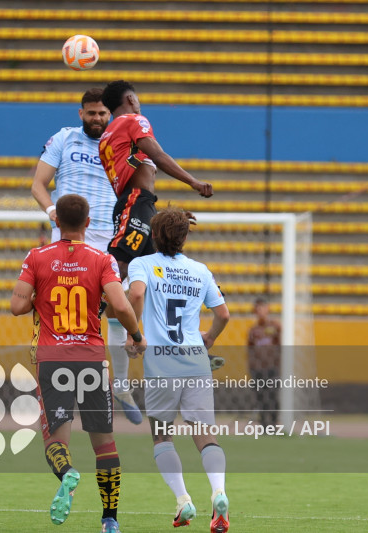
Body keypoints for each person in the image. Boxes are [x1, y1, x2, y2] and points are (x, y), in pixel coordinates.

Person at [10, 194, 146, 533]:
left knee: (56, 441)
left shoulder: (36, 257)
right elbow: (122, 305)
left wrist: (39, 297)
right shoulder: (102, 260)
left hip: (52, 360)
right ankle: (110, 519)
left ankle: (68, 472)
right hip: (91, 361)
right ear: (88, 223)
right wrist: (136, 335)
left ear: (57, 221)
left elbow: (17, 306)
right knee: (105, 443)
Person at [31, 87, 142, 424]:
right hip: (68, 235)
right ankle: (55, 388)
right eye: (91, 113)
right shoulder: (64, 139)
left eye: (102, 113)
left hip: (110, 236)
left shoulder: (122, 143)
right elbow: (38, 184)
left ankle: (120, 386)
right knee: (63, 313)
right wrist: (51, 210)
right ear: (81, 113)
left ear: (111, 114)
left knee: (116, 310)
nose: (97, 119)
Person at [126, 207, 231, 532]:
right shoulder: (200, 270)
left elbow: (137, 293)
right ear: (184, 238)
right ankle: (219, 492)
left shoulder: (142, 264)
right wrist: (209, 338)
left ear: (154, 235)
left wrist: (134, 334)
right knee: (206, 435)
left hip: (161, 362)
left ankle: (183, 499)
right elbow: (223, 314)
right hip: (196, 359)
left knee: (161, 435)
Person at [98, 79, 214, 284]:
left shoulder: (106, 137)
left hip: (137, 202)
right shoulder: (134, 120)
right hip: (136, 201)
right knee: (120, 264)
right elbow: (158, 156)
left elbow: (131, 169)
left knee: (152, 275)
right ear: (131, 99)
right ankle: (92, 304)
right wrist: (193, 182)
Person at [247, 297, 281, 427]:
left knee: (272, 395)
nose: (260, 311)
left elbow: (281, 345)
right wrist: (251, 367)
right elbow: (250, 350)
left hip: (272, 367)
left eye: (262, 308)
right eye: (257, 308)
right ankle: (264, 424)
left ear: (267, 309)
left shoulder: (275, 327)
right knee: (260, 396)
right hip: (258, 369)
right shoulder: (253, 330)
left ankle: (273, 423)